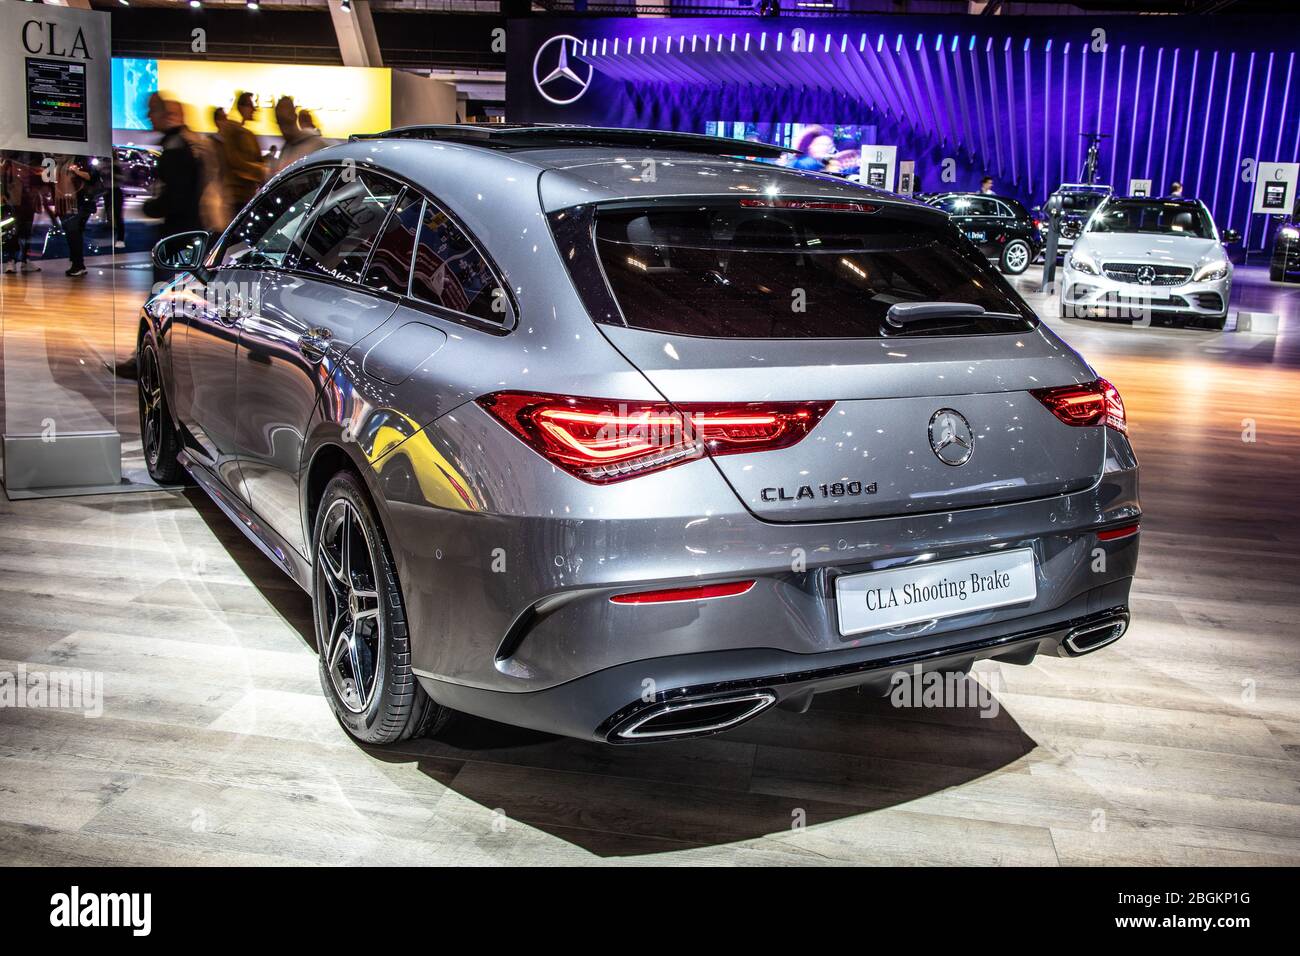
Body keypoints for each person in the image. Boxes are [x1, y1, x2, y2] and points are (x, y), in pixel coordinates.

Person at [142, 95, 204, 239]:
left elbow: (177, 194)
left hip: (182, 231)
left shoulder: (176, 147)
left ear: (167, 115)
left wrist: (151, 208)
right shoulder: (185, 142)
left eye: (153, 110)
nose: (148, 116)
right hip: (189, 228)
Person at [217, 91, 266, 216]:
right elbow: (236, 162)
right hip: (236, 198)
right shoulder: (234, 133)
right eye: (250, 105)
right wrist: (260, 170)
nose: (254, 109)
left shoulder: (246, 134)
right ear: (241, 107)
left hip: (244, 197)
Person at [55, 155, 100, 277]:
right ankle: (77, 263)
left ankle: (78, 264)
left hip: (79, 203)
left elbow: (92, 177)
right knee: (72, 233)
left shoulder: (81, 159)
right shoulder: (59, 162)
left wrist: (76, 171)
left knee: (73, 232)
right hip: (65, 202)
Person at [274, 96, 327, 172]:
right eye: (281, 122)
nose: (284, 129)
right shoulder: (286, 149)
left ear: (295, 117)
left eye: (287, 122)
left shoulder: (316, 144)